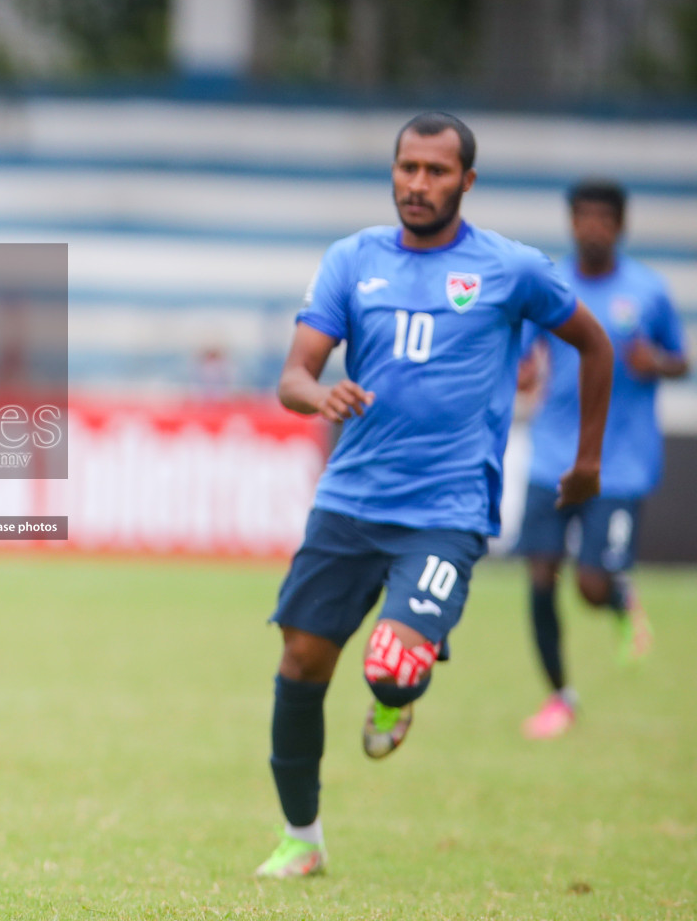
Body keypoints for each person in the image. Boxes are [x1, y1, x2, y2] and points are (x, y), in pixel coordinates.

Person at [256, 112, 613, 879]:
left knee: (388, 665)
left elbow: (594, 342)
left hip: (445, 514)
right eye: (408, 168)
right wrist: (316, 396)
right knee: (300, 661)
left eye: (436, 172)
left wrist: (586, 462)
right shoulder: (352, 260)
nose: (418, 184)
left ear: (467, 182)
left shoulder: (510, 268)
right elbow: (291, 374)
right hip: (350, 499)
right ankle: (302, 839)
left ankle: (396, 691)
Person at [516, 179, 687, 739]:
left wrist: (655, 363)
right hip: (551, 456)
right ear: (571, 222)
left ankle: (618, 595)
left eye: (603, 219)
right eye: (583, 217)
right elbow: (524, 358)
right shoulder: (551, 286)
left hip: (620, 463)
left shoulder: (648, 291)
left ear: (619, 226)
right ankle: (559, 697)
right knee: (540, 574)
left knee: (590, 584)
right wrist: (522, 374)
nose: (593, 227)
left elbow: (680, 362)